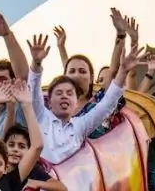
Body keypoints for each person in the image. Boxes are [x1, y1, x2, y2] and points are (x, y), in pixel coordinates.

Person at [25, 33, 140, 165]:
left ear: (76, 103)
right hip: (40, 179)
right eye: (59, 93)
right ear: (49, 102)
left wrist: (123, 71)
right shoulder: (41, 117)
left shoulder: (80, 125)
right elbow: (33, 90)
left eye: (69, 93)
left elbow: (107, 103)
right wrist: (36, 63)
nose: (64, 96)